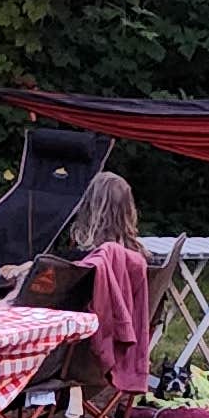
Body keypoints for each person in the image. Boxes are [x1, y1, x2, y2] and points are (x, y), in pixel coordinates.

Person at [62, 168, 156, 400]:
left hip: (74, 358)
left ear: (88, 207)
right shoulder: (138, 260)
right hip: (112, 354)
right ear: (129, 210)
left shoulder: (83, 266)